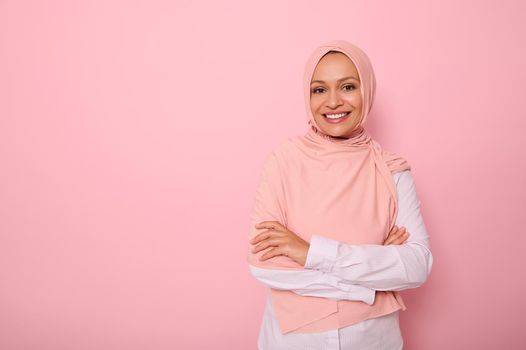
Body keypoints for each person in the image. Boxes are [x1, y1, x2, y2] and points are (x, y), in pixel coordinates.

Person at [247, 40, 433, 350]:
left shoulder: (392, 169)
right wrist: (372, 282)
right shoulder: (284, 161)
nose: (333, 102)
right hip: (293, 342)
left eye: (347, 86)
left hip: (373, 341)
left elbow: (416, 266)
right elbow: (263, 265)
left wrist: (310, 253)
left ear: (367, 91)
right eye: (319, 90)